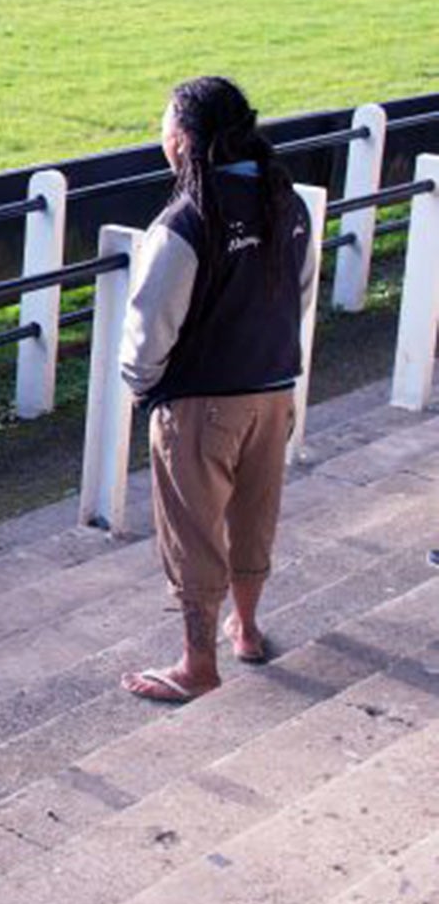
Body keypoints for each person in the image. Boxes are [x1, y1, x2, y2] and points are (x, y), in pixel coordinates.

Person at [120, 76, 314, 704]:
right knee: (256, 516)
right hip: (274, 387)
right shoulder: (288, 202)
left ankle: (196, 665)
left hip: (202, 402)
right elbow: (299, 293)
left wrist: (140, 387)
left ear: (181, 141)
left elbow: (151, 325)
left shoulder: (185, 219)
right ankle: (248, 629)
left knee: (194, 533)